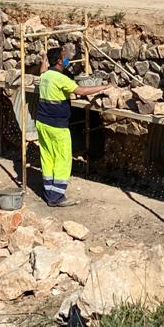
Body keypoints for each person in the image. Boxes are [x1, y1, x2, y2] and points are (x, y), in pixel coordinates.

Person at [36, 47, 110, 207]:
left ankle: (48, 191)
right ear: (58, 61)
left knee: (47, 157)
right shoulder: (61, 79)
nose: (67, 59)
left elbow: (42, 71)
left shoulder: (45, 76)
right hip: (57, 125)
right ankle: (56, 197)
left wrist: (43, 61)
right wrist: (104, 87)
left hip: (42, 122)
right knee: (63, 158)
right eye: (64, 57)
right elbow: (82, 91)